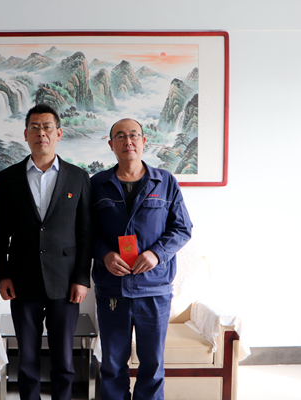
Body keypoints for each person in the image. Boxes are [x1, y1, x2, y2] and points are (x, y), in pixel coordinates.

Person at [0, 104, 92, 400]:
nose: (41, 133)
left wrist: (82, 278)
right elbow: (0, 232)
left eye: (47, 127)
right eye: (34, 127)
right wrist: (2, 275)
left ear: (58, 133)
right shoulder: (8, 177)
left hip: (66, 282)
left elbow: (85, 232)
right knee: (27, 360)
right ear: (25, 134)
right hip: (22, 280)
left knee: (64, 361)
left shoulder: (78, 177)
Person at [90, 118, 193, 400]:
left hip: (154, 289)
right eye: (120, 136)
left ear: (144, 141)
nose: (128, 141)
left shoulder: (165, 181)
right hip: (113, 288)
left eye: (134, 135)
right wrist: (105, 255)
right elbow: (85, 231)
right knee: (112, 365)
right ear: (111, 144)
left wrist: (156, 253)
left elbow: (183, 229)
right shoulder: (97, 184)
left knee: (153, 365)